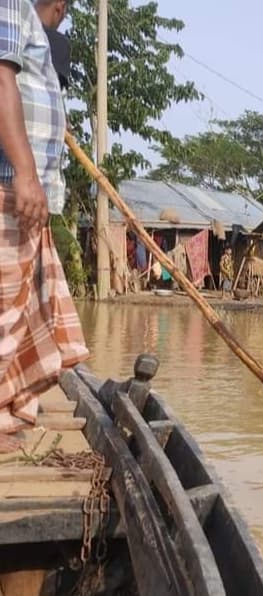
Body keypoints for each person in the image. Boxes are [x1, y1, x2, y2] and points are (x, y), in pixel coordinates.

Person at [0, 0, 89, 453]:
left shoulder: (28, 21)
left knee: (21, 308)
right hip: (10, 186)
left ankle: (6, 409)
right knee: (5, 309)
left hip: (22, 190)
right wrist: (26, 173)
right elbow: (1, 79)